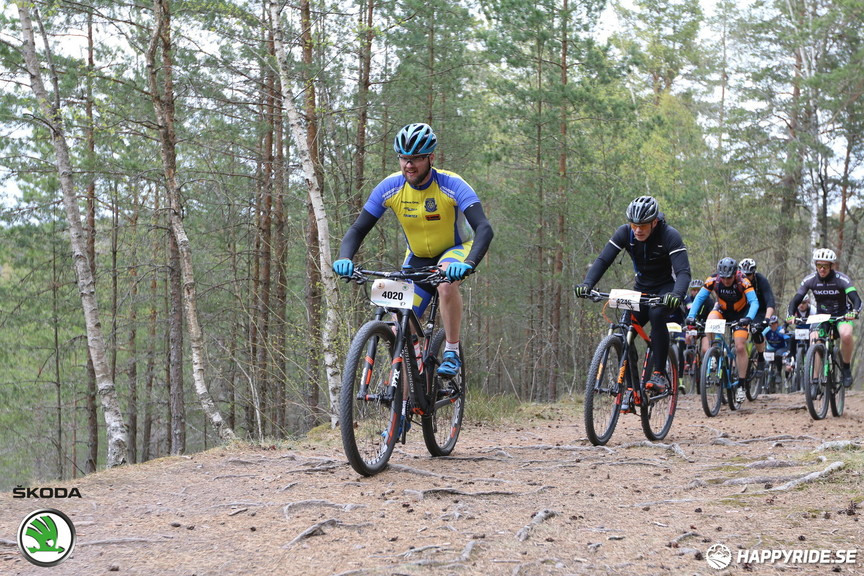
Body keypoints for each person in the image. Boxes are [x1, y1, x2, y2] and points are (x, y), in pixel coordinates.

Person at [333, 123, 494, 378]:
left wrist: (470, 262)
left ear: (431, 157)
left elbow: (484, 228)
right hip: (417, 258)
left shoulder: (452, 184)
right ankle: (404, 411)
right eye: (404, 158)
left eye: (416, 158)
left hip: (455, 250)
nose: (409, 165)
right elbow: (358, 229)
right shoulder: (390, 187)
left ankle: (451, 350)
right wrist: (344, 257)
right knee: (400, 331)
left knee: (445, 284)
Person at [574, 196, 691, 394]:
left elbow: (683, 273)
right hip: (640, 288)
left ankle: (660, 373)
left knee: (656, 314)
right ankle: (631, 387)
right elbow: (603, 260)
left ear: (654, 222)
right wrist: (587, 284)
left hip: (666, 289)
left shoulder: (669, 235)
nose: (638, 230)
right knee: (623, 332)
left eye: (643, 225)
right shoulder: (625, 233)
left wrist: (677, 294)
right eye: (634, 224)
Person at [687, 257, 759, 404]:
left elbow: (754, 302)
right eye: (724, 277)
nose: (726, 281)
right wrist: (691, 316)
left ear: (735, 274)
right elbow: (700, 298)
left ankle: (741, 384)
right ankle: (713, 353)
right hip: (722, 310)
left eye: (729, 277)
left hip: (741, 314)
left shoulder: (743, 280)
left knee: (739, 347)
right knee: (710, 320)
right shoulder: (713, 279)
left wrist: (749, 318)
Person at [786, 248, 861, 387]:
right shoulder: (810, 280)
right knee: (814, 338)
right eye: (819, 265)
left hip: (842, 314)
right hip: (822, 316)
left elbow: (856, 299)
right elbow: (796, 299)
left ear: (831, 266)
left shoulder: (842, 279)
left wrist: (855, 312)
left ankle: (846, 368)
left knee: (846, 335)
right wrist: (790, 314)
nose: (822, 269)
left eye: (825, 266)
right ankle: (814, 380)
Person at [739, 257, 776, 364]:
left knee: (755, 330)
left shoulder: (761, 280)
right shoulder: (737, 281)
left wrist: (767, 319)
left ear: (754, 273)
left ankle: (760, 357)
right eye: (744, 275)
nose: (746, 278)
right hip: (744, 310)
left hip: (760, 310)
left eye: (749, 275)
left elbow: (770, 301)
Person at [762, 315, 792, 380]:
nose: (772, 325)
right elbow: (761, 336)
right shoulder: (767, 330)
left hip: (781, 348)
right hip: (770, 348)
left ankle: (778, 372)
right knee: (765, 359)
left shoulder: (781, 330)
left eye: (774, 323)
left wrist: (789, 351)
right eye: (771, 324)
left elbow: (788, 340)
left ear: (777, 323)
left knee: (778, 355)